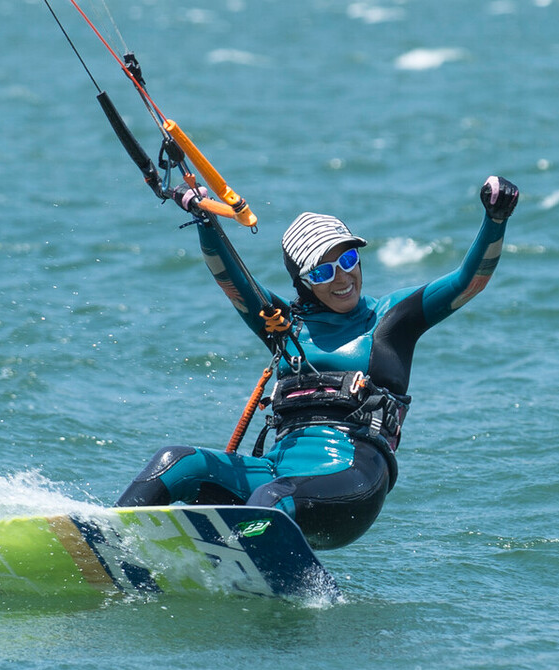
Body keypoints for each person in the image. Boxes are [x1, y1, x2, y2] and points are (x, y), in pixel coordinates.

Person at [115, 176, 520, 549]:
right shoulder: (283, 325)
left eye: (347, 261)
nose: (342, 278)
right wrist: (206, 220)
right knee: (176, 462)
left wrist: (495, 219)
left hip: (354, 477)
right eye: (323, 271)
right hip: (277, 472)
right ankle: (110, 543)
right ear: (302, 282)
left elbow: (471, 280)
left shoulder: (391, 319)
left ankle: (237, 568)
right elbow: (232, 279)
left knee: (269, 501)